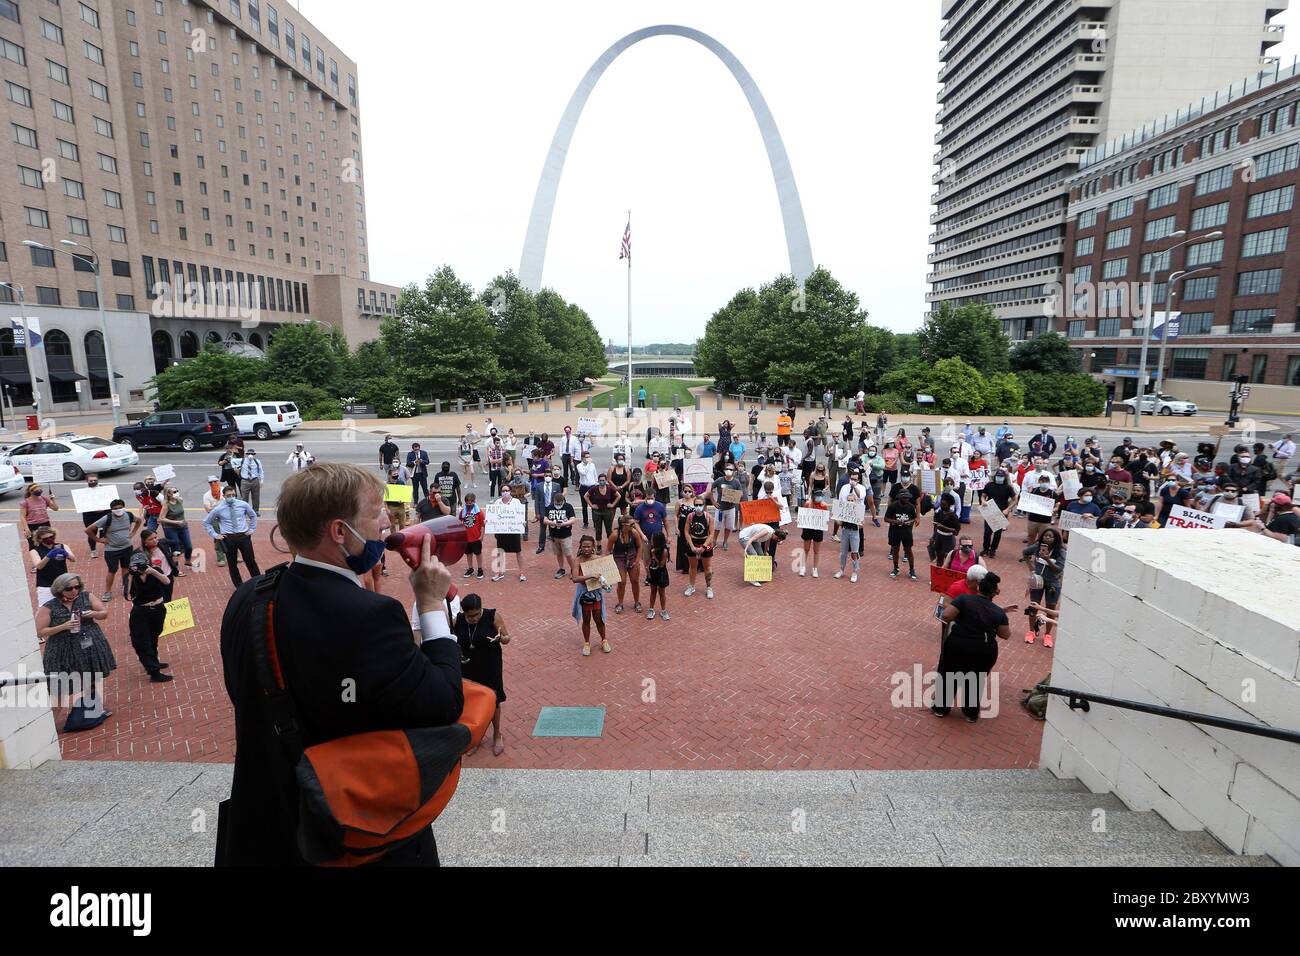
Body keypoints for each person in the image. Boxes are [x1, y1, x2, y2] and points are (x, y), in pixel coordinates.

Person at [217, 462, 463, 867]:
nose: (387, 520)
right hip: (350, 832)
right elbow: (444, 701)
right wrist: (432, 604)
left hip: (263, 825)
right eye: (375, 512)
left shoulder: (248, 597)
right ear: (338, 531)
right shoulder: (370, 616)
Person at [37, 573, 115, 732]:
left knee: (92, 677)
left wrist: (92, 614)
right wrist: (64, 626)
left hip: (89, 645)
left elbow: (104, 613)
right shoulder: (48, 607)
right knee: (60, 687)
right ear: (59, 590)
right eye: (69, 588)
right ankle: (47, 729)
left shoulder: (86, 597)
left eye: (77, 587)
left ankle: (94, 710)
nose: (74, 590)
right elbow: (40, 631)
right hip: (61, 651)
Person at [933, 572, 1012, 722]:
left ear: (978, 588)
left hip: (958, 645)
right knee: (976, 680)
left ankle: (941, 709)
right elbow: (1005, 634)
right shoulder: (998, 612)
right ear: (995, 592)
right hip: (984, 650)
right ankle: (970, 714)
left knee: (950, 674)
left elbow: (947, 616)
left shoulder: (964, 599)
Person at [452, 594, 509, 757]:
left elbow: (507, 638)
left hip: (490, 664)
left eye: (477, 614)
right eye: (470, 616)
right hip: (469, 666)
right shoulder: (458, 620)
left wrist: (500, 638)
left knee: (494, 700)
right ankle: (477, 737)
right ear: (464, 612)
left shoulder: (492, 616)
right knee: (473, 702)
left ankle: (497, 735)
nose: (475, 618)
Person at [125, 547, 174, 683]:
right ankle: (153, 671)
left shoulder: (154, 571)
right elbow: (128, 594)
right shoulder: (131, 576)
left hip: (158, 609)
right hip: (141, 612)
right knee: (142, 641)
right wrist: (130, 575)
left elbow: (167, 581)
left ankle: (154, 661)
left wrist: (152, 571)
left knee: (154, 636)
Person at [203, 484, 261, 588]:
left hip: (243, 536)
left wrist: (252, 529)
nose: (231, 497)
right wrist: (215, 535)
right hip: (229, 538)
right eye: (229, 495)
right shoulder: (218, 509)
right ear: (224, 496)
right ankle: (239, 586)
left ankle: (258, 582)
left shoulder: (243, 504)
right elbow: (207, 522)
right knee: (232, 564)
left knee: (250, 560)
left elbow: (253, 516)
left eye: (233, 495)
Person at [92, 499, 143, 602]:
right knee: (112, 570)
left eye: (120, 507)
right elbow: (88, 529)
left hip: (127, 548)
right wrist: (98, 540)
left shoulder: (128, 515)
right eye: (115, 508)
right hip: (112, 550)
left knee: (126, 568)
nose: (118, 510)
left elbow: (139, 521)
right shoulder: (107, 518)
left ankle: (125, 586)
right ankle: (108, 592)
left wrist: (133, 533)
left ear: (124, 507)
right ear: (111, 510)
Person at [1021, 529, 1065, 646]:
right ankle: (1031, 631)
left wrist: (1047, 559)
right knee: (1033, 605)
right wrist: (1031, 567)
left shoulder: (1060, 551)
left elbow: (1058, 569)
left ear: (1055, 539)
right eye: (1045, 536)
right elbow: (1025, 552)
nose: (1047, 538)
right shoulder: (1037, 547)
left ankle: (1048, 634)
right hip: (1038, 581)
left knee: (1050, 607)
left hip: (1053, 584)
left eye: (1050, 537)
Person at [570, 535, 612, 656]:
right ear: (580, 547)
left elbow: (605, 577)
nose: (586, 549)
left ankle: (604, 640)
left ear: (593, 546)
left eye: (589, 546)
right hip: (584, 593)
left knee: (599, 619)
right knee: (586, 619)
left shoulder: (598, 559)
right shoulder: (578, 560)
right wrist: (590, 576)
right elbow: (575, 578)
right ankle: (587, 643)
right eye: (584, 547)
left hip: (596, 592)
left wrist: (605, 583)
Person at [608, 515, 647, 614]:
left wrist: (637, 561)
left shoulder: (634, 533)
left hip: (632, 557)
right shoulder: (615, 535)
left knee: (635, 581)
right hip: (619, 559)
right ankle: (620, 603)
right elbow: (608, 550)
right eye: (632, 524)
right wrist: (609, 565)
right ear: (624, 525)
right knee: (622, 582)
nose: (634, 526)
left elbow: (639, 546)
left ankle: (637, 602)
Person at [835, 473, 868, 583]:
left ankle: (855, 571)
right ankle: (841, 569)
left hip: (854, 532)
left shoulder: (858, 509)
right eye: (848, 500)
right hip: (845, 531)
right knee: (843, 552)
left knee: (854, 552)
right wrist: (837, 519)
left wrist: (858, 521)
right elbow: (838, 518)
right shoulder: (844, 488)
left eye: (851, 500)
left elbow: (861, 524)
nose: (850, 502)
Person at [30, 527, 75, 607]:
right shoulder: (35, 551)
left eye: (51, 537)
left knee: (66, 607)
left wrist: (66, 554)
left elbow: (73, 559)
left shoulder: (62, 546)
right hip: (45, 585)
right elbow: (39, 566)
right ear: (39, 539)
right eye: (46, 538)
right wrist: (48, 556)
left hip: (62, 583)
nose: (49, 539)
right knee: (45, 608)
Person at [490, 487, 527, 583]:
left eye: (507, 490)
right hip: (501, 531)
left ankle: (522, 572)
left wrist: (523, 523)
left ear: (510, 491)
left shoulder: (516, 502)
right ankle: (499, 572)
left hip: (514, 530)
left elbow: (520, 515)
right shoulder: (497, 502)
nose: (505, 492)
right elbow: (493, 516)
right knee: (500, 551)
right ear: (501, 492)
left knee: (518, 552)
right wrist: (489, 522)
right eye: (503, 491)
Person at [682, 498, 716, 599]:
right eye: (696, 505)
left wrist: (704, 546)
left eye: (700, 505)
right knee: (693, 567)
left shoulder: (708, 517)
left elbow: (711, 534)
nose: (698, 507)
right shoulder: (690, 516)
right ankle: (691, 586)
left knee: (707, 567)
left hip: (705, 543)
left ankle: (709, 588)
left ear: (704, 505)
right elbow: (686, 531)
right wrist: (691, 546)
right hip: (693, 542)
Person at [159, 486, 194, 575]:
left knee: (188, 546)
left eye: (177, 491)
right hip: (170, 528)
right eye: (174, 492)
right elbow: (161, 518)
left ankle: (188, 560)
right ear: (168, 494)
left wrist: (181, 522)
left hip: (182, 526)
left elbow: (181, 512)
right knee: (176, 548)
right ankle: (176, 569)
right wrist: (176, 522)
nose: (176, 493)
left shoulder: (179, 500)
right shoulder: (166, 505)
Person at [738, 523, 786, 587]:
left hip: (754, 539)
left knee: (761, 555)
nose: (776, 541)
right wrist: (745, 550)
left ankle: (760, 576)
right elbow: (752, 539)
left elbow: (767, 542)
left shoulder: (771, 534)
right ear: (776, 535)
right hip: (745, 537)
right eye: (777, 539)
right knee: (754, 555)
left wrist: (765, 552)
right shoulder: (766, 531)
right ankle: (752, 579)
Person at [544, 490, 578, 579]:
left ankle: (574, 569)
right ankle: (561, 568)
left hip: (565, 535)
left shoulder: (568, 507)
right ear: (554, 500)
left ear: (563, 500)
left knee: (568, 554)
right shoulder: (550, 507)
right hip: (554, 536)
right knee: (558, 553)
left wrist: (564, 523)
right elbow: (545, 520)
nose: (558, 504)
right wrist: (553, 522)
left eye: (560, 503)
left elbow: (573, 520)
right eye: (556, 502)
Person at [885, 491, 919, 581]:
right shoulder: (893, 506)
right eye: (905, 498)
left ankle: (912, 569)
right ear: (900, 497)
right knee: (895, 549)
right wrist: (896, 522)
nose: (907, 499)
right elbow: (886, 518)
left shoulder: (911, 507)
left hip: (906, 532)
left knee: (908, 550)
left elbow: (914, 518)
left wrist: (909, 522)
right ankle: (896, 568)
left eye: (908, 498)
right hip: (894, 531)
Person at [532, 466, 565, 554]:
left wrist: (558, 510)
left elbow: (559, 499)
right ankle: (541, 546)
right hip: (543, 510)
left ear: (552, 477)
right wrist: (537, 513)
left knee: (554, 529)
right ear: (544, 476)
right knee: (542, 529)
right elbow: (536, 501)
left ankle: (557, 546)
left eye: (550, 476)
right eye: (546, 475)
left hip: (552, 511)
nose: (548, 477)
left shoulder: (556, 486)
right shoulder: (539, 486)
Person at [79, 475, 110, 560]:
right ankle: (93, 550)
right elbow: (82, 504)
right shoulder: (83, 492)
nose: (93, 482)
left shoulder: (103, 490)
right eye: (91, 481)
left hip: (104, 513)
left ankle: (107, 548)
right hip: (89, 515)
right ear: (87, 481)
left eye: (95, 480)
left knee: (106, 531)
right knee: (92, 532)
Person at [458, 493, 487, 581]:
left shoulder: (479, 512)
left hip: (476, 537)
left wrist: (482, 535)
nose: (469, 504)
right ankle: (470, 568)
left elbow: (483, 524)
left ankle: (480, 569)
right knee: (468, 554)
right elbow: (460, 523)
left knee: (478, 554)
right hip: (466, 537)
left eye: (471, 502)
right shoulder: (462, 512)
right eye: (467, 502)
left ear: (474, 501)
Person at [930, 494, 962, 567]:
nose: (941, 506)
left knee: (948, 559)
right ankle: (938, 574)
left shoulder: (953, 516)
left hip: (948, 539)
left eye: (944, 504)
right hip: (939, 537)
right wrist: (933, 537)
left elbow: (956, 532)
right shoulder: (939, 513)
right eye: (941, 504)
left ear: (949, 505)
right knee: (939, 558)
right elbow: (935, 526)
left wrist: (944, 527)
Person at [239, 448, 265, 514]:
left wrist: (261, 480)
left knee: (256, 497)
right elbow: (232, 461)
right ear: (246, 454)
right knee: (244, 497)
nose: (250, 455)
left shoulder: (257, 461)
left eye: (252, 454)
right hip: (245, 481)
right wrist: (235, 468)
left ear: (254, 454)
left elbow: (261, 471)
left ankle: (256, 510)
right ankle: (244, 511)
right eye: (249, 454)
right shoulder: (242, 460)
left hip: (254, 480)